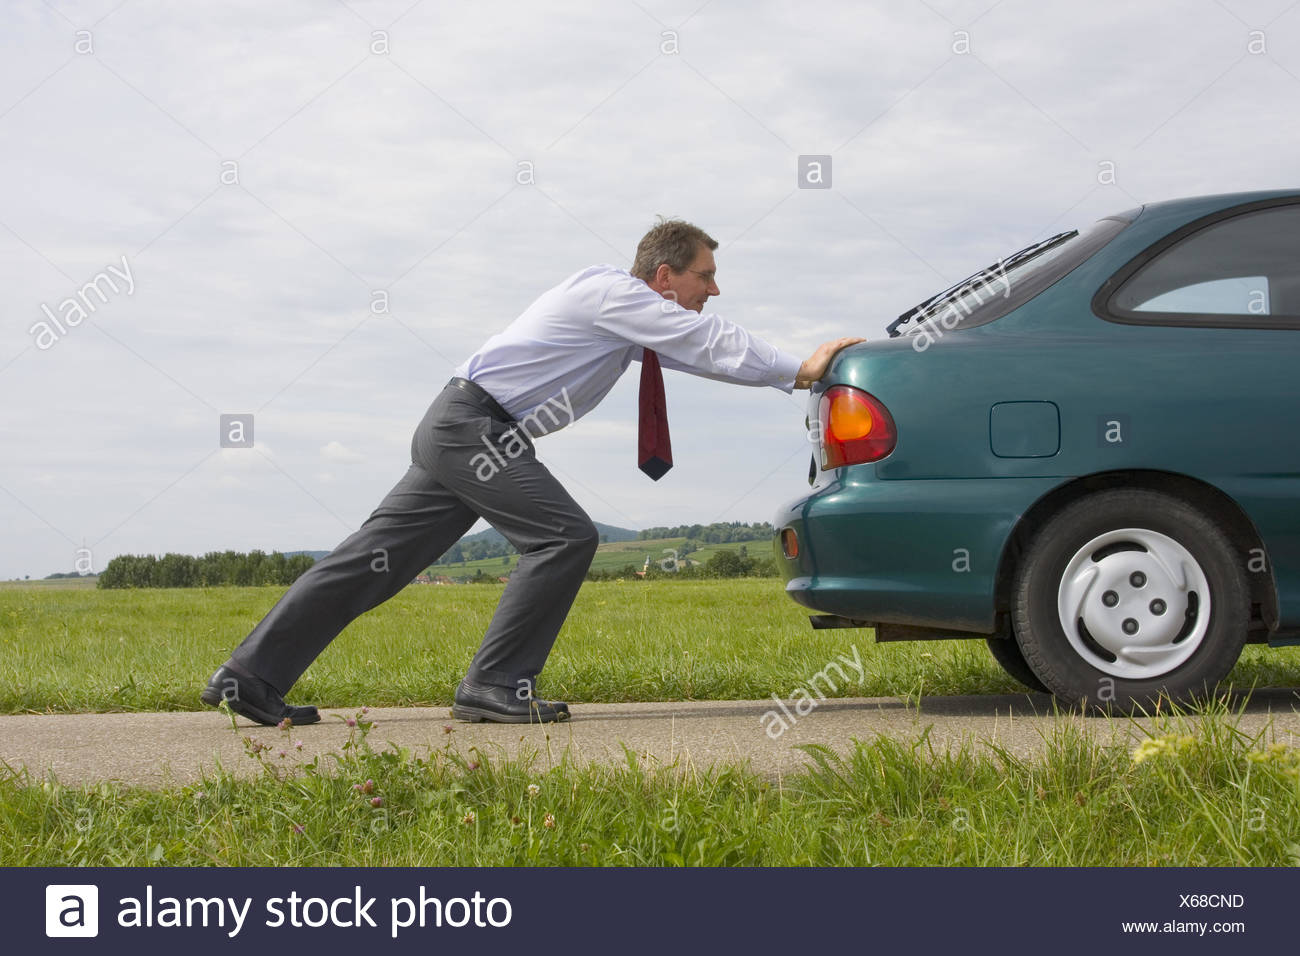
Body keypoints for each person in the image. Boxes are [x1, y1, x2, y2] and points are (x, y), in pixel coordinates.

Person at [201, 219, 863, 725]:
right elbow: (707, 340)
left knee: (371, 561)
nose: (714, 290)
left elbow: (701, 355)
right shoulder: (611, 292)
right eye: (706, 276)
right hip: (473, 429)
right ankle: (495, 685)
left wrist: (784, 376)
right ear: (666, 276)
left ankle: (247, 680)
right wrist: (798, 366)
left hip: (465, 430)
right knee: (564, 536)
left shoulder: (627, 317)